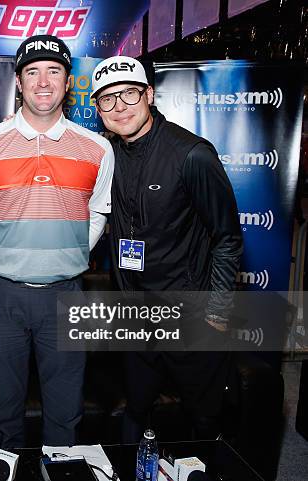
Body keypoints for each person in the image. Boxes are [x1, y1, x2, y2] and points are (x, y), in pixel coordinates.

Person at [0, 34, 115, 448]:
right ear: (18, 81)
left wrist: (67, 255)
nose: (43, 81)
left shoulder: (98, 148)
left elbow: (98, 212)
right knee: (2, 407)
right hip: (2, 295)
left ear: (69, 82)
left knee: (66, 410)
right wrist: (4, 255)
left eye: (54, 71)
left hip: (67, 295)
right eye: (32, 71)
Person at [90, 55, 243, 442]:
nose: (119, 106)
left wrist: (219, 313)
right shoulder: (105, 156)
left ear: (149, 95)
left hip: (189, 317)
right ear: (98, 108)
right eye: (107, 99)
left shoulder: (192, 154)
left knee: (205, 422)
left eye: (128, 94)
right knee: (135, 413)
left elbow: (227, 237)